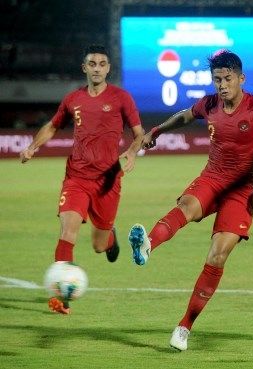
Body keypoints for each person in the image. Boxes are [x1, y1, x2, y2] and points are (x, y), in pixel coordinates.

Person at [128, 50, 253, 351]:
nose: (221, 85)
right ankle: (148, 244)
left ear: (241, 78)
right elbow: (184, 116)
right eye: (217, 79)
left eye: (227, 79)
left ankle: (184, 326)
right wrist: (157, 130)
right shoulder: (209, 104)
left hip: (241, 190)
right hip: (212, 178)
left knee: (217, 255)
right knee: (186, 208)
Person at [20, 44, 144, 314]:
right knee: (67, 232)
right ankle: (59, 299)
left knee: (99, 246)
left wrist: (133, 153)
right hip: (76, 177)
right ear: (84, 68)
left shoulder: (122, 98)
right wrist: (33, 146)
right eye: (92, 63)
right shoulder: (72, 99)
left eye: (102, 63)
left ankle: (111, 238)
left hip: (108, 181)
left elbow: (139, 133)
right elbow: (53, 125)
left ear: (108, 68)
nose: (97, 68)